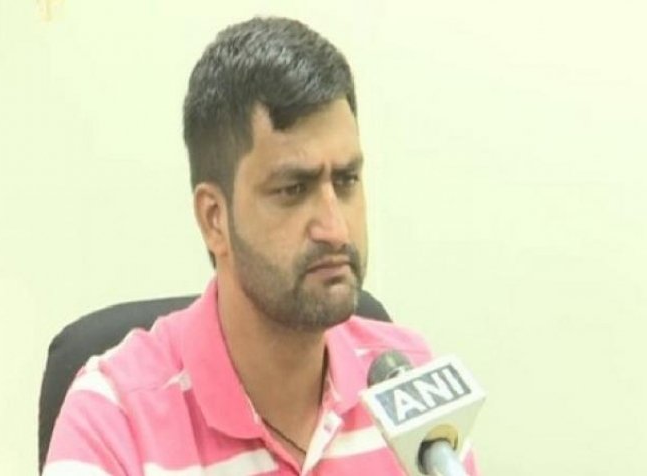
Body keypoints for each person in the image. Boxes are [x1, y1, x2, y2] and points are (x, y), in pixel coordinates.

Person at [44, 17, 477, 475]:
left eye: (346, 180)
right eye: (293, 189)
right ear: (215, 218)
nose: (336, 229)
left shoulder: (409, 381)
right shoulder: (114, 418)